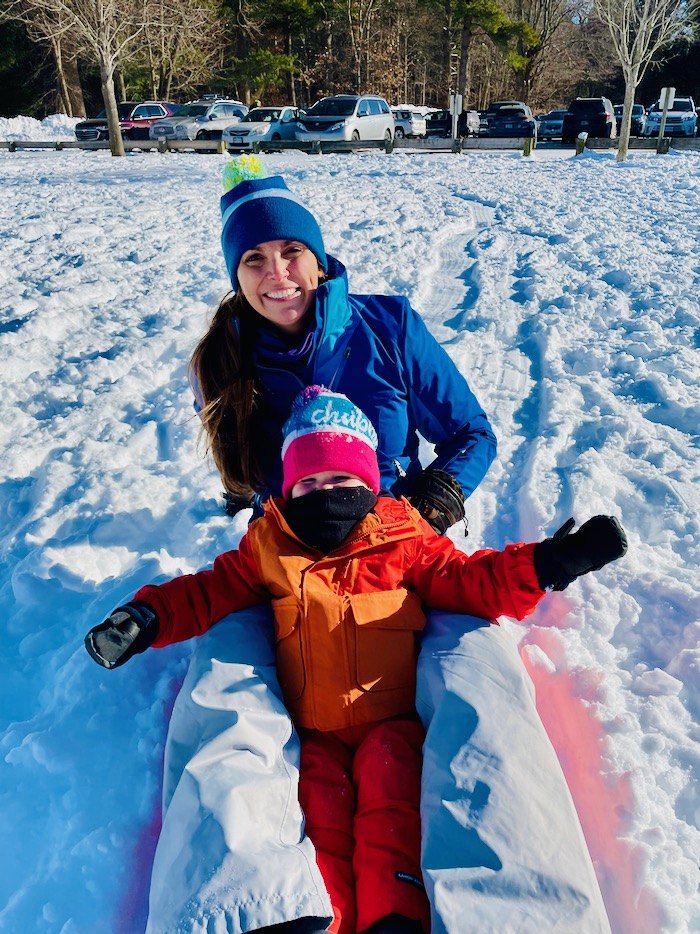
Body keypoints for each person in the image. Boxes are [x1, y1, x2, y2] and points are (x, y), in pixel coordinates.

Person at [123, 155, 614, 934]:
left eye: (291, 252)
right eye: (253, 259)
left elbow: (472, 433)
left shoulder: (389, 326)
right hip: (285, 554)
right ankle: (239, 907)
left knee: (478, 688)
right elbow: (239, 482)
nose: (276, 273)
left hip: (407, 543)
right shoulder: (220, 361)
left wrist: (429, 504)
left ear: (317, 256)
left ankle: (513, 909)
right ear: (235, 273)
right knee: (222, 694)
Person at [85, 386, 627, 934]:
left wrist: (548, 564)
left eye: (342, 481)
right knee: (318, 825)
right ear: (289, 487)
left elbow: (471, 581)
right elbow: (209, 592)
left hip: (391, 726)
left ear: (369, 483)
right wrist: (147, 617)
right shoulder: (270, 543)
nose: (326, 493)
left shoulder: (403, 537)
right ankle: (323, 920)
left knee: (390, 816)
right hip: (312, 734)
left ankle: (394, 918)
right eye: (310, 483)